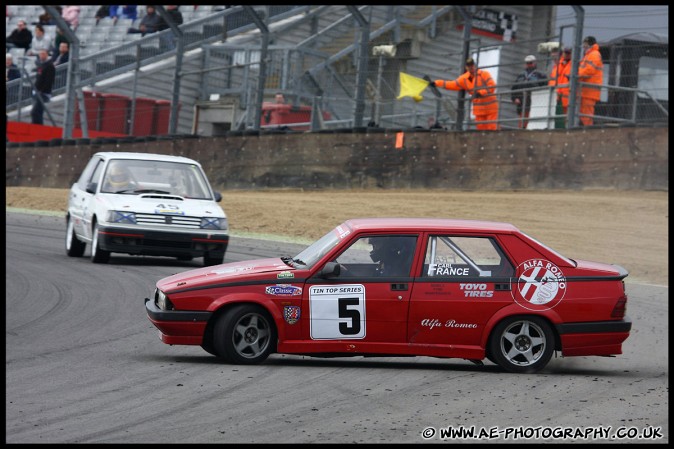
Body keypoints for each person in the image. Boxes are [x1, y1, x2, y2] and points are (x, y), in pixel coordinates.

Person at [432, 57, 499, 131]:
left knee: (492, 129)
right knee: (481, 131)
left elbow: (492, 86)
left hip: (490, 107)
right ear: (466, 67)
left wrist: (481, 93)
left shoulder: (484, 74)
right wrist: (436, 83)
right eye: (469, 66)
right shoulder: (464, 79)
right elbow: (452, 84)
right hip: (479, 109)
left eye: (472, 65)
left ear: (475, 65)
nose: (471, 67)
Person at [510, 55, 548, 129]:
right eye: (527, 63)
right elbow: (514, 88)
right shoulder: (520, 75)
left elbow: (545, 88)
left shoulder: (541, 75)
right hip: (522, 103)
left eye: (530, 63)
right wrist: (514, 98)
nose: (528, 64)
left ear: (534, 63)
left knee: (532, 122)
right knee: (522, 122)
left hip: (535, 103)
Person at [577, 36, 603, 126]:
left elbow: (589, 70)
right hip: (585, 91)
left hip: (590, 91)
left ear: (590, 44)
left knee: (586, 114)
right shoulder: (588, 55)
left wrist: (577, 76)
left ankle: (587, 131)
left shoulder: (594, 54)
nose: (584, 46)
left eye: (586, 44)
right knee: (583, 113)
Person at [31, 49, 55, 125]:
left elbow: (49, 81)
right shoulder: (41, 65)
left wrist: (42, 91)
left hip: (43, 93)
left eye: (43, 54)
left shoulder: (50, 66)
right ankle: (36, 126)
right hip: (38, 92)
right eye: (40, 54)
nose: (41, 55)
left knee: (35, 112)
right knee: (38, 112)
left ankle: (38, 127)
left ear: (47, 55)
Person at [549, 47, 572, 115]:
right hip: (555, 97)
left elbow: (561, 80)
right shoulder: (556, 67)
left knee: (564, 118)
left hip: (564, 96)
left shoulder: (564, 64)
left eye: (555, 56)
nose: (554, 58)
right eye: (552, 56)